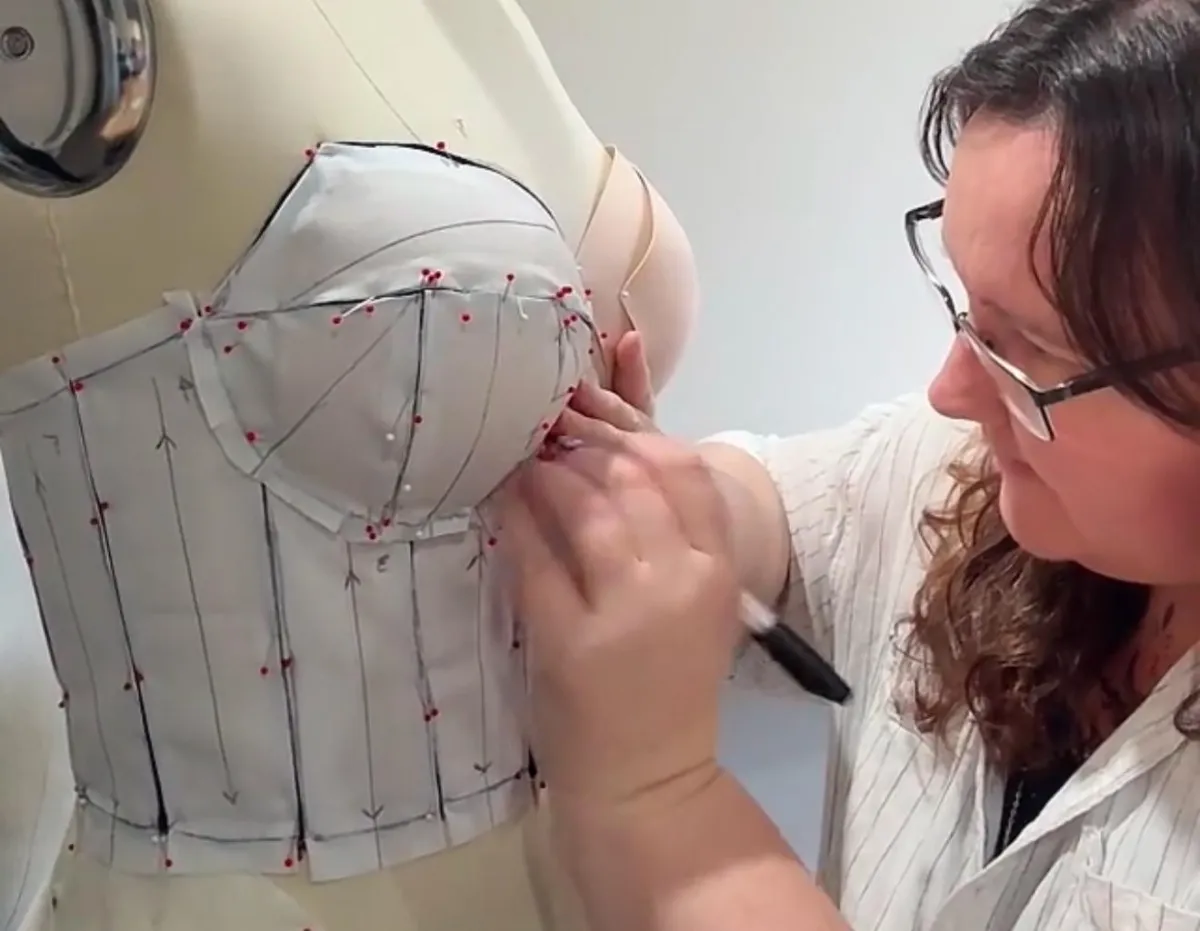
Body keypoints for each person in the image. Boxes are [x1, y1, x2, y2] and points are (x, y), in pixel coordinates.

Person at [491, 1, 1200, 929]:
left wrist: (654, 791)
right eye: (965, 311)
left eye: (1028, 351)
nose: (951, 390)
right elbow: (789, 514)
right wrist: (669, 508)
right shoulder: (980, 472)